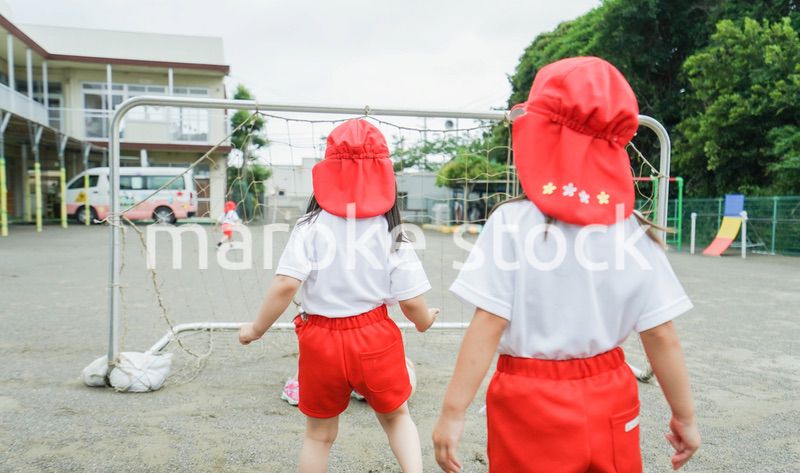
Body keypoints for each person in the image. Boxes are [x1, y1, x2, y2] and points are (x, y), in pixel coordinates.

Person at [432, 57, 701, 472]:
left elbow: (489, 322)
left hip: (528, 396)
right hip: (610, 390)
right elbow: (661, 333)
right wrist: (685, 415)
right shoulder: (631, 229)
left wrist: (453, 412)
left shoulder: (512, 221)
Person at [239, 119, 438, 473]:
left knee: (318, 435)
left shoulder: (310, 226)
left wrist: (256, 329)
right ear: (384, 176)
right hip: (375, 336)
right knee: (396, 418)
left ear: (327, 173)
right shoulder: (391, 231)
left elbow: (286, 284)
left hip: (320, 340)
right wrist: (425, 321)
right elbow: (410, 301)